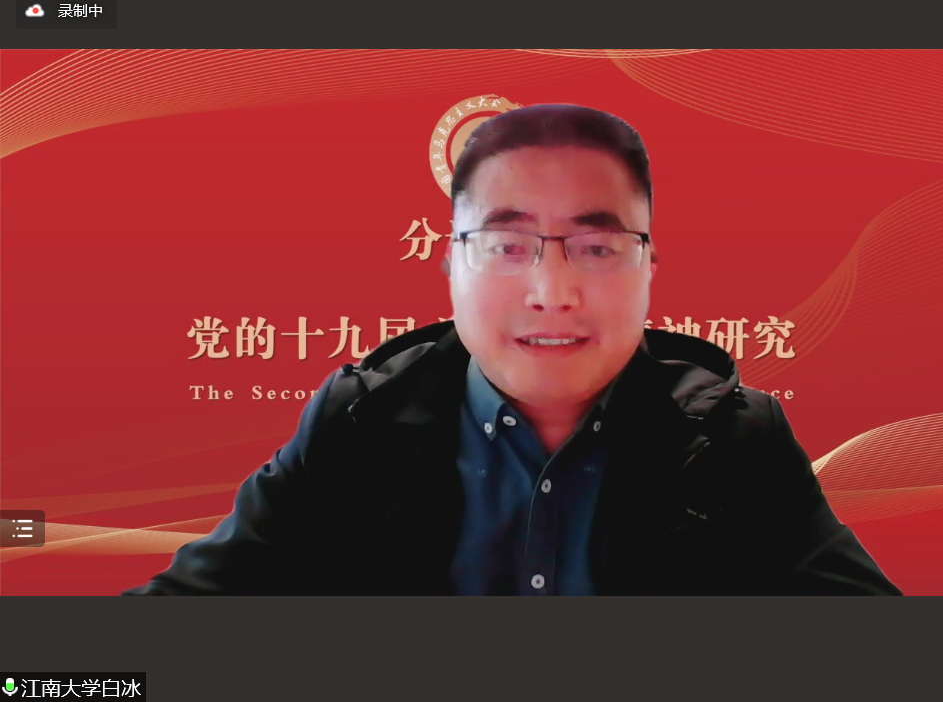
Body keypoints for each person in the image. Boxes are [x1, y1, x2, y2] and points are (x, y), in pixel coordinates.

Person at [122, 104, 901, 596]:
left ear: (649, 268)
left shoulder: (732, 438)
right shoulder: (359, 422)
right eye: (506, 245)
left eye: (596, 247)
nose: (551, 291)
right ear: (450, 263)